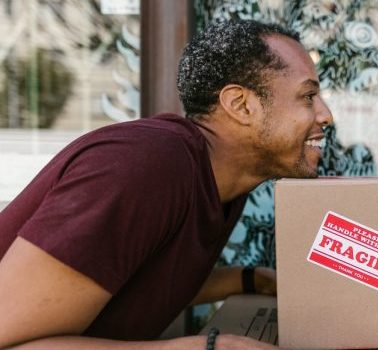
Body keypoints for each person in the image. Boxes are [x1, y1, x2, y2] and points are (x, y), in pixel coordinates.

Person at [0, 20, 332, 349]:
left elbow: (122, 278)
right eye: (308, 96)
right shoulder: (146, 167)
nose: (325, 115)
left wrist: (247, 279)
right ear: (241, 105)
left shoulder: (223, 181)